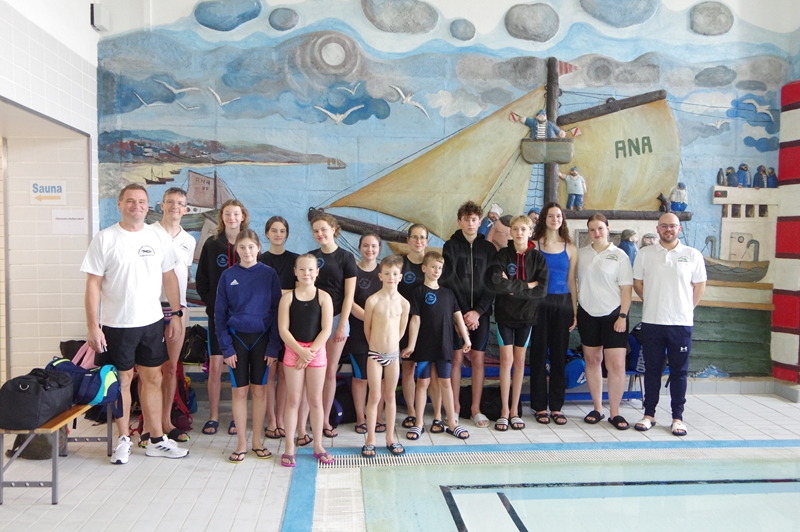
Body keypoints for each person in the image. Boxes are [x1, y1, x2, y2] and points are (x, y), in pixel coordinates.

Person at [81, 184, 188, 464]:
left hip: (151, 322)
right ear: (120, 204)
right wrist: (93, 326)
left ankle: (155, 439)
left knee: (154, 378)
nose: (136, 206)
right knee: (123, 381)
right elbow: (93, 285)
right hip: (116, 325)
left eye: (141, 201)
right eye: (130, 201)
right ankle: (124, 439)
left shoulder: (157, 236)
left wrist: (176, 314)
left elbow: (169, 277)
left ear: (148, 206)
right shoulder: (105, 238)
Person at [633, 213, 706, 436]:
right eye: (664, 226)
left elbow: (699, 286)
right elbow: (638, 284)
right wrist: (652, 301)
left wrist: (686, 309)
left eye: (672, 226)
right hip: (652, 322)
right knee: (652, 371)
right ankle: (649, 415)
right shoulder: (645, 254)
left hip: (681, 324)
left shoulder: (692, 255)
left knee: (679, 372)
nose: (668, 229)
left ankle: (677, 418)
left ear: (679, 229)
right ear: (657, 229)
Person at [215, 230, 282, 462]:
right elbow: (219, 314)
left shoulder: (269, 274)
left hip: (262, 339)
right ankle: (242, 442)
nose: (247, 251)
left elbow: (277, 312)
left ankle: (257, 442)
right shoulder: (228, 276)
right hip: (237, 340)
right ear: (236, 249)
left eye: (251, 247)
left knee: (260, 390)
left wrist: (273, 346)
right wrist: (226, 348)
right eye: (242, 247)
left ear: (258, 248)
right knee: (240, 391)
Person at [140, 187, 196, 446]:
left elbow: (181, 275)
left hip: (177, 310)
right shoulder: (147, 233)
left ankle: (165, 422)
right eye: (170, 202)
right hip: (149, 309)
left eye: (180, 203)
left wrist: (178, 311)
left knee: (171, 368)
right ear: (161, 205)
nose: (175, 206)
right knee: (148, 371)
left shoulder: (189, 240)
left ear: (185, 209)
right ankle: (147, 425)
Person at [487, 216, 548, 431]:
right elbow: (497, 283)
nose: (519, 233)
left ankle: (515, 410)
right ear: (511, 232)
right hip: (505, 315)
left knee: (520, 362)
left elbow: (542, 289)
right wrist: (528, 284)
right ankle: (504, 411)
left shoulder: (538, 258)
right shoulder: (502, 255)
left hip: (527, 316)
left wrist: (513, 286)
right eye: (515, 229)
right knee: (506, 361)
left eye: (523, 229)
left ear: (530, 232)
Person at [402, 251, 471, 441]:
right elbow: (415, 320)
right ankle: (418, 423)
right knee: (422, 383)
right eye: (433, 267)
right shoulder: (418, 292)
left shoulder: (448, 293)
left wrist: (466, 339)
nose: (436, 271)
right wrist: (411, 345)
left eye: (439, 268)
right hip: (424, 346)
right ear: (424, 268)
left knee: (445, 383)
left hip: (444, 345)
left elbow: (458, 316)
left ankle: (452, 423)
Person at [196, 199, 249, 436]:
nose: (231, 218)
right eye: (227, 214)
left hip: (242, 318)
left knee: (239, 367)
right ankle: (214, 416)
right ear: (222, 217)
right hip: (217, 317)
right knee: (216, 366)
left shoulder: (249, 243)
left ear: (242, 216)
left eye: (236, 214)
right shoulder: (212, 244)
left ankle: (237, 417)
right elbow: (202, 280)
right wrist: (213, 303)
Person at [442, 201, 497, 428]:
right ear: (460, 221)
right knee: (456, 359)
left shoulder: (489, 249)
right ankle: (454, 407)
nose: (470, 223)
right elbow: (449, 280)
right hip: (457, 313)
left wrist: (478, 312)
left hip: (480, 314)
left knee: (477, 359)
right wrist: (464, 313)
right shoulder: (450, 246)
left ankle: (475, 409)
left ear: (479, 221)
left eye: (474, 220)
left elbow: (492, 283)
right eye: (466, 219)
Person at [577, 215, 633, 430]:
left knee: (616, 365)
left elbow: (626, 289)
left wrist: (623, 316)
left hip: (614, 315)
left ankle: (615, 412)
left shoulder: (620, 256)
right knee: (592, 361)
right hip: (587, 313)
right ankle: (597, 408)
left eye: (600, 228)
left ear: (608, 229)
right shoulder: (581, 254)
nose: (596, 233)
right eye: (592, 229)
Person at [278, 254, 335, 467]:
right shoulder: (287, 298)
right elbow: (283, 329)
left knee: (315, 400)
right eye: (302, 269)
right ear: (295, 271)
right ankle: (289, 447)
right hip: (293, 350)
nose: (306, 273)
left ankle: (318, 445)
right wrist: (300, 351)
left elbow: (326, 329)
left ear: (317, 272)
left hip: (315, 351)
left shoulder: (324, 297)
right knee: (293, 400)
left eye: (310, 269)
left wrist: (309, 352)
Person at [309, 214, 357, 438]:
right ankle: (310, 417)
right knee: (312, 371)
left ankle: (325, 420)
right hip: (313, 320)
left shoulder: (346, 258)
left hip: (337, 318)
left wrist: (342, 325)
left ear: (334, 230)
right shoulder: (311, 257)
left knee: (329, 371)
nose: (320, 234)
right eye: (316, 231)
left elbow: (349, 296)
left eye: (323, 229)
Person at [530, 202, 578, 426]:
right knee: (538, 355)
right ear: (544, 218)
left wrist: (574, 311)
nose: (555, 219)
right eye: (551, 216)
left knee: (559, 356)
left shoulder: (570, 248)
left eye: (558, 216)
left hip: (563, 304)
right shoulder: (534, 245)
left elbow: (572, 281)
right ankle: (540, 406)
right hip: (539, 303)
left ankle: (557, 407)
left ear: (562, 219)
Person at [361, 255, 410, 457]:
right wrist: (377, 347)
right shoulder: (372, 300)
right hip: (374, 355)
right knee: (374, 396)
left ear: (400, 277)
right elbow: (367, 329)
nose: (391, 277)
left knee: (390, 397)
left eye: (395, 274)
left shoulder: (404, 303)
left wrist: (391, 349)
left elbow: (401, 331)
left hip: (393, 356)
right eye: (387, 273)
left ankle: (390, 438)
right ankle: (370, 439)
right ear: (380, 276)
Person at [259, 216, 299, 441]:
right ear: (267, 233)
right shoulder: (260, 260)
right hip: (266, 323)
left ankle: (282, 418)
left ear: (286, 234)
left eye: (282, 231)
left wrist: (278, 294)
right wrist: (284, 293)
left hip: (290, 323)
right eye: (274, 230)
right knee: (270, 372)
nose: (278, 234)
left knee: (285, 373)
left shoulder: (295, 260)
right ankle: (271, 419)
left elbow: (300, 291)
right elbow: (260, 294)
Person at [398, 224, 442, 431]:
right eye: (414, 237)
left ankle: (436, 414)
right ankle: (412, 412)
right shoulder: (401, 264)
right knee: (408, 369)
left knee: (432, 372)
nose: (418, 241)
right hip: (406, 324)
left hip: (430, 326)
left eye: (422, 237)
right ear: (408, 240)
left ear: (427, 241)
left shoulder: (433, 264)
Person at [345, 233, 385, 434]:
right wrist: (371, 319)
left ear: (379, 249)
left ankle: (377, 417)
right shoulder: (353, 271)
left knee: (380, 379)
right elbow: (349, 302)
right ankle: (361, 418)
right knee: (360, 377)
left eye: (374, 246)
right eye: (366, 246)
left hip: (382, 335)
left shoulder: (384, 272)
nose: (370, 250)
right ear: (359, 248)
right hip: (358, 333)